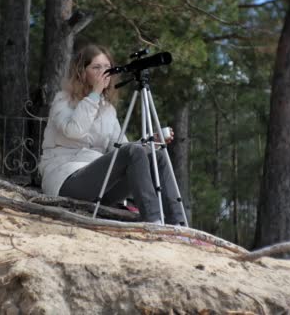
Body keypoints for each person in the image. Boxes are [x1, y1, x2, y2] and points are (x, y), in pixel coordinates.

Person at [38, 44, 185, 225]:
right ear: (81, 72)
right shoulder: (63, 100)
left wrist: (148, 142)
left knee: (157, 155)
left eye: (107, 68)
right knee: (134, 151)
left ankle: (177, 224)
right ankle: (154, 221)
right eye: (96, 67)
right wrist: (94, 94)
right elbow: (74, 130)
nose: (104, 73)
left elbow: (125, 150)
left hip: (101, 187)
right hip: (66, 179)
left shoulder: (108, 110)